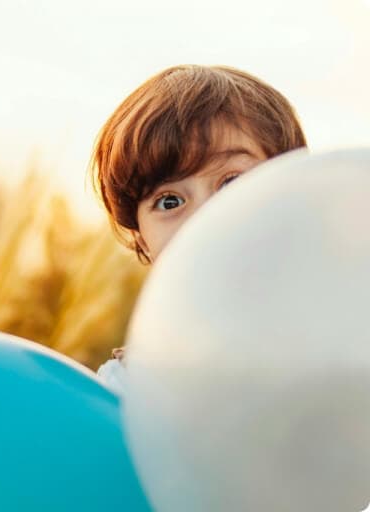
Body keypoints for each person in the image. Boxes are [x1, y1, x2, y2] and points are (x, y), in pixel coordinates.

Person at [90, 65, 307, 393]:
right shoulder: (129, 389)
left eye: (233, 181)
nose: (205, 217)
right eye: (169, 202)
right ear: (142, 239)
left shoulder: (335, 345)